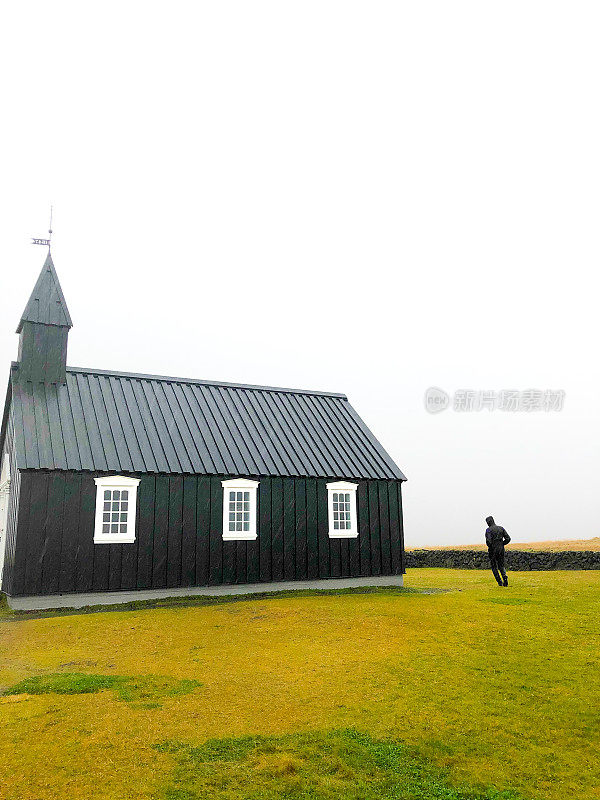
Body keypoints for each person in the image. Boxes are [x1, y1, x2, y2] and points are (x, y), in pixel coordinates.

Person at [485, 515, 511, 586]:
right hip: (501, 549)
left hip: (493, 550)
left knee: (494, 566)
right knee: (501, 565)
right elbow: (508, 538)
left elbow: (488, 542)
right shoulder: (501, 528)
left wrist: (491, 546)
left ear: (488, 522)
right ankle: (504, 577)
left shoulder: (488, 530)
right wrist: (502, 544)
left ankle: (499, 581)